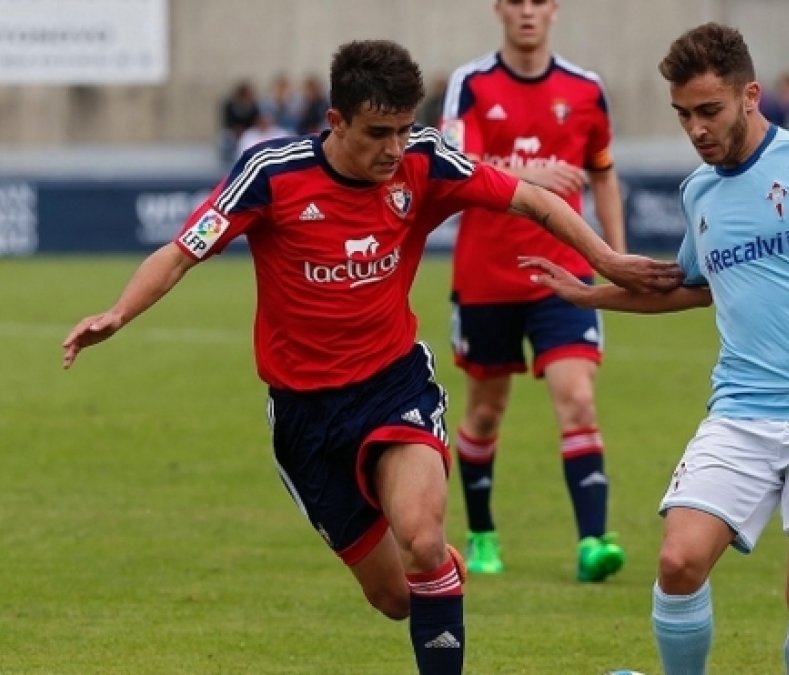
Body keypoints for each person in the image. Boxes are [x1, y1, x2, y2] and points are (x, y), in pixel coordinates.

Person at [61, 39, 679, 675]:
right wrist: (118, 313)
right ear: (336, 121)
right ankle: (438, 578)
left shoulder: (425, 161)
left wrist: (607, 260)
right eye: (379, 132)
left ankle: (435, 566)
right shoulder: (270, 174)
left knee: (421, 540)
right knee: (396, 598)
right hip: (305, 420)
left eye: (405, 129)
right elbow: (181, 252)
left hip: (394, 388)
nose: (395, 148)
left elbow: (534, 199)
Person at [523, 22, 789, 674]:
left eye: (709, 110)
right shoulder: (700, 191)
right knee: (677, 561)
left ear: (750, 96)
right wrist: (588, 295)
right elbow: (690, 287)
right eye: (683, 115)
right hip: (741, 410)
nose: (696, 129)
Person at [439, 0, 629, 581]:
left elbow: (603, 175)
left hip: (564, 274)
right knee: (485, 411)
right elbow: (453, 164)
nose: (527, 11)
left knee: (578, 399)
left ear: (554, 10)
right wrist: (529, 175)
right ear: (499, 9)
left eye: (537, 1)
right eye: (515, 1)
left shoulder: (586, 88)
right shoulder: (471, 83)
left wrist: (618, 260)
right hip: (486, 277)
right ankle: (481, 534)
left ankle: (593, 542)